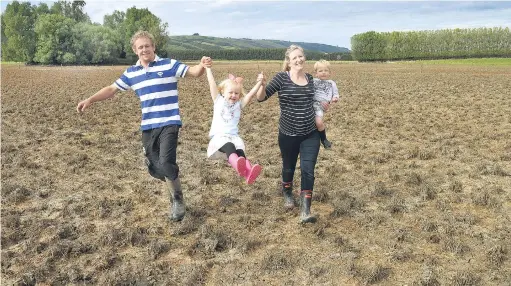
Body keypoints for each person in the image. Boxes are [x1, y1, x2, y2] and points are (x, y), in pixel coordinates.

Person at [76, 30, 211, 222]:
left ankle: (177, 201)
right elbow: (112, 89)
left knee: (166, 162)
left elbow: (194, 72)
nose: (145, 49)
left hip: (169, 123)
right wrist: (90, 99)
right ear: (135, 50)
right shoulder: (132, 73)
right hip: (148, 126)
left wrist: (202, 65)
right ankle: (172, 189)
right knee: (155, 166)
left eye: (148, 46)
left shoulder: (169, 64)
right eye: (140, 47)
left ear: (154, 47)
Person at [256, 45, 320, 224]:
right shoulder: (281, 78)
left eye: (301, 56)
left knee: (308, 170)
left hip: (310, 133)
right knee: (288, 167)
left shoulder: (310, 79)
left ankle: (305, 211)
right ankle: (287, 194)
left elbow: (316, 102)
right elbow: (261, 98)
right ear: (289, 62)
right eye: (295, 58)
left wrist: (327, 103)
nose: (299, 60)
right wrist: (261, 85)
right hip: (288, 134)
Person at [204, 64, 264, 184]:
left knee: (240, 152)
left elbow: (251, 94)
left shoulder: (239, 105)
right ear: (223, 92)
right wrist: (208, 69)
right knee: (230, 146)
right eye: (230, 92)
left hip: (234, 136)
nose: (233, 95)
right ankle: (238, 167)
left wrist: (260, 82)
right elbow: (212, 83)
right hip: (220, 137)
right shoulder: (218, 100)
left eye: (236, 93)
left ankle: (249, 173)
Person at [313, 59, 339, 149]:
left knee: (318, 122)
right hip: (311, 103)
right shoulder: (313, 81)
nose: (323, 73)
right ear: (316, 73)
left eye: (326, 70)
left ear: (329, 73)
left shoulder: (332, 83)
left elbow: (335, 93)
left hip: (319, 107)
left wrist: (335, 98)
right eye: (320, 71)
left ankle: (323, 139)